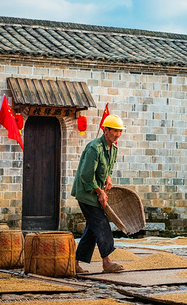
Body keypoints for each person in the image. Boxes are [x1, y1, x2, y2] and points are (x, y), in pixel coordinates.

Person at [71, 114, 126, 274]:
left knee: (91, 230)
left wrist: (108, 177)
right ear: (105, 130)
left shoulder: (113, 148)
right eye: (114, 131)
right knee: (101, 224)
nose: (117, 134)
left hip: (96, 194)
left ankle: (74, 263)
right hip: (86, 193)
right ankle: (107, 262)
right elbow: (86, 175)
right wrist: (100, 191)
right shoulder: (94, 148)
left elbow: (107, 168)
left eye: (119, 131)